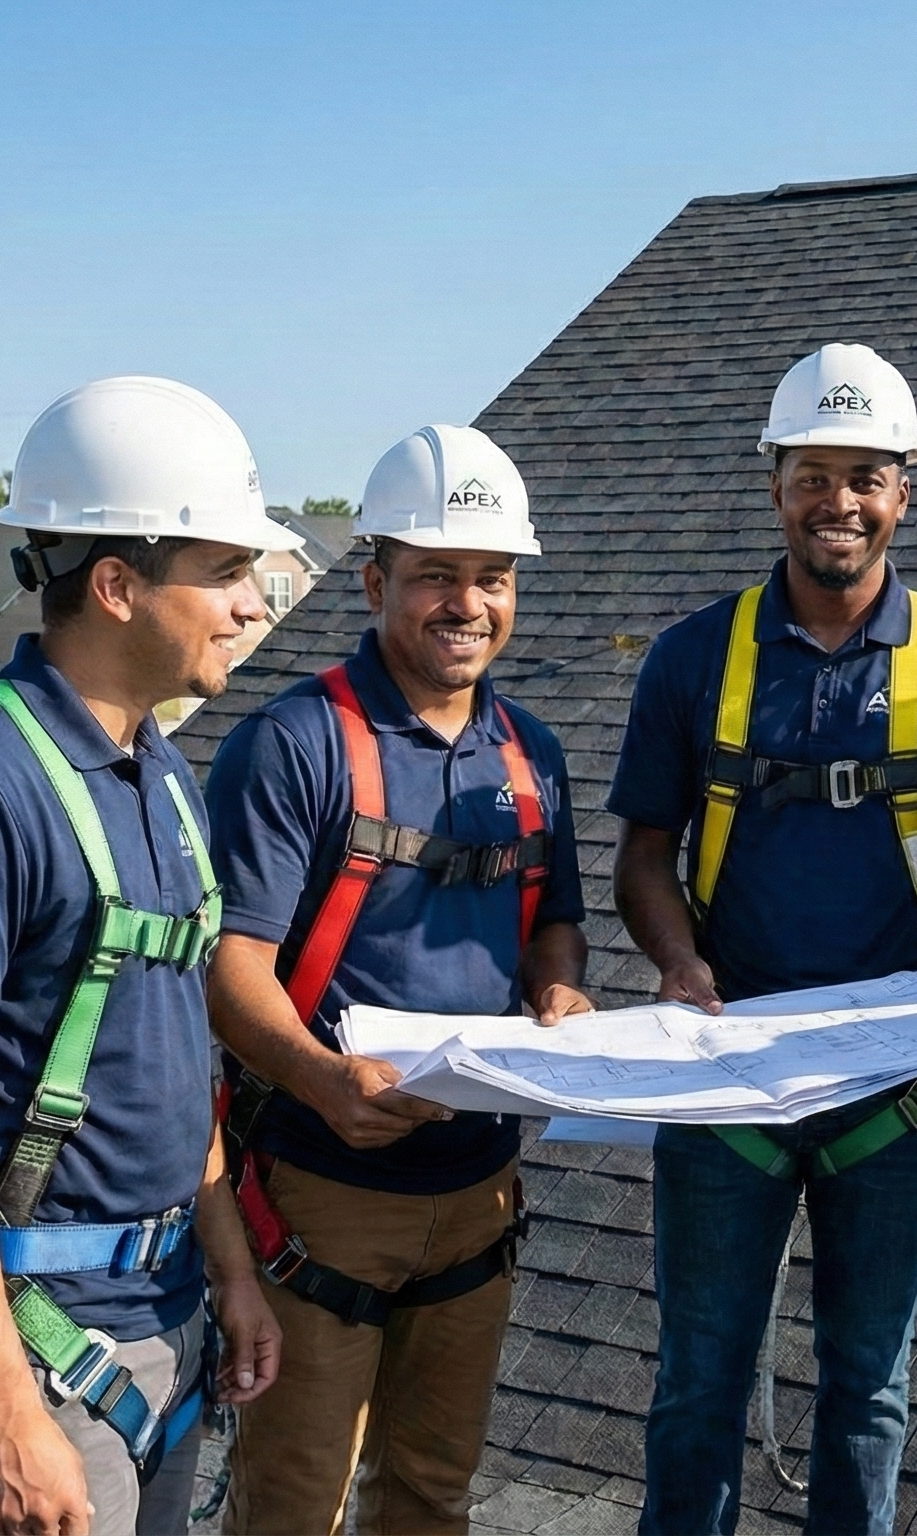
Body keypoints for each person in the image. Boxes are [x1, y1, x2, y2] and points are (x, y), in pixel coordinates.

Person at [609, 343, 917, 1535]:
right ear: (775, 483)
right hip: (730, 1074)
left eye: (866, 475)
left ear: (903, 491)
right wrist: (674, 962)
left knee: (868, 1390)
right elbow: (641, 858)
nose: (840, 502)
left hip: (891, 1087)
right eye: (815, 473)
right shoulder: (695, 658)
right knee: (695, 1380)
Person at [0, 376, 290, 1536]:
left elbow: (176, 1061)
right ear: (116, 583)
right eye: (227, 571)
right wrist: (0, 1413)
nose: (253, 605)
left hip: (171, 1313)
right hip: (42, 1344)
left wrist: (231, 1269)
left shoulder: (163, 775)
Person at [200, 425, 591, 1536]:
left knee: (431, 1495)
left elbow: (552, 926)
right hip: (323, 1194)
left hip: (477, 1192)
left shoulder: (532, 756)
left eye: (491, 577)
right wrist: (322, 1079)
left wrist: (559, 995)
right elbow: (227, 969)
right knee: (292, 1505)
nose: (467, 603)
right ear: (374, 582)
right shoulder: (296, 745)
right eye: (435, 577)